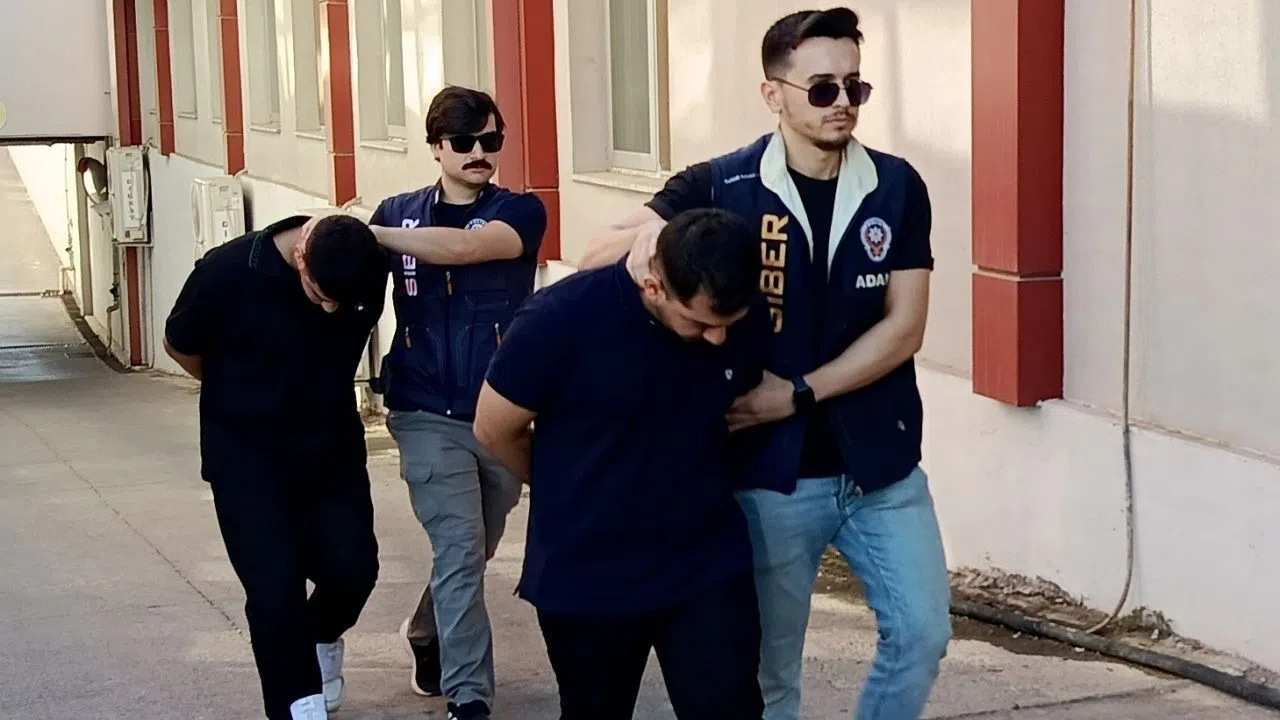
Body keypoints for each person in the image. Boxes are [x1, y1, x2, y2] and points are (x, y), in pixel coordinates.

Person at [578, 8, 951, 720]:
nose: (843, 102)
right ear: (773, 93)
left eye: (855, 86)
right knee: (769, 672)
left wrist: (799, 392)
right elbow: (599, 253)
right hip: (769, 477)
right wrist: (656, 240)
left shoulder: (896, 186)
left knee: (923, 634)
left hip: (880, 464)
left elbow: (904, 328)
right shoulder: (724, 184)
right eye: (823, 88)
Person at [472, 208, 770, 720]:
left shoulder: (733, 306)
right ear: (653, 286)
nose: (718, 339)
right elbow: (493, 426)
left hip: (704, 565)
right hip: (588, 576)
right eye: (701, 324)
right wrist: (558, 484)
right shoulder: (559, 319)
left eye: (729, 325)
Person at [163, 213, 389, 720]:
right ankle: (298, 707)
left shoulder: (364, 264)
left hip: (330, 452)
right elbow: (179, 344)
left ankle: (321, 636)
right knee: (274, 591)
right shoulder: (226, 273)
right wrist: (237, 390)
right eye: (321, 295)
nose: (331, 309)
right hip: (246, 458)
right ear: (300, 258)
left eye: (341, 302)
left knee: (354, 571)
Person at [366, 85, 547, 720]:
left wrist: (377, 234)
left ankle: (426, 632)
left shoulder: (519, 212)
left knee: (475, 546)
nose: (480, 153)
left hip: (499, 412)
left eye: (491, 140)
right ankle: (469, 696)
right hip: (422, 411)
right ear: (436, 147)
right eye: (465, 141)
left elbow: (469, 248)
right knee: (460, 547)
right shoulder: (399, 214)